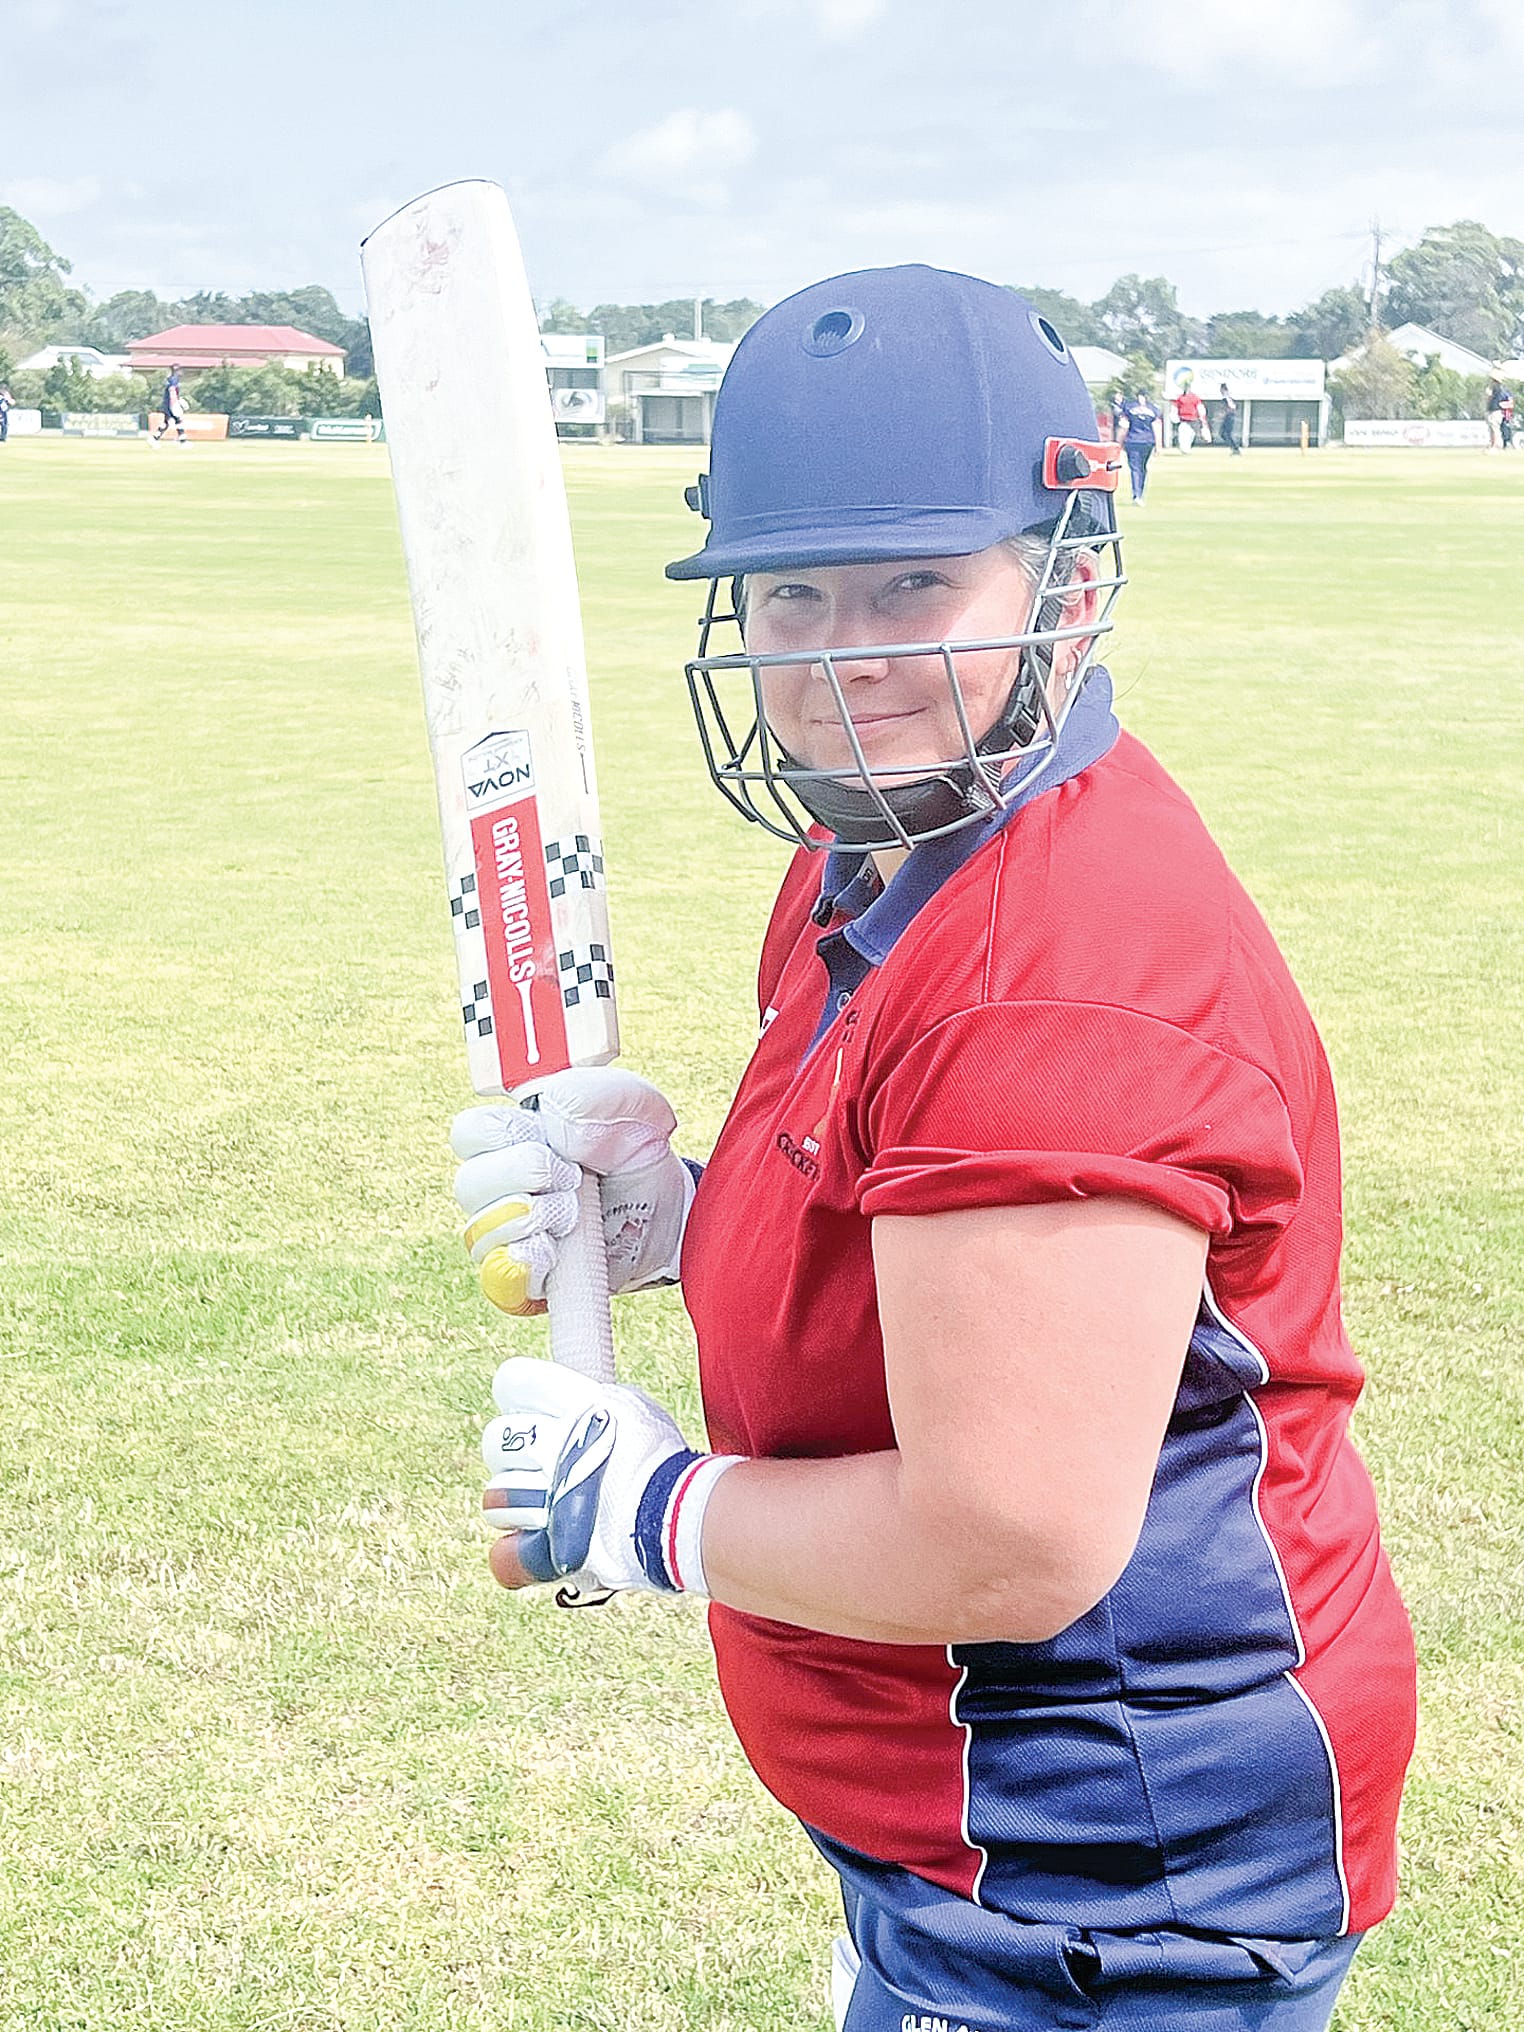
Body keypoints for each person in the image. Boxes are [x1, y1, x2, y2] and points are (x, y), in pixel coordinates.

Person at [454, 266, 1417, 2032]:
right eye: (793, 592)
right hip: (961, 1846)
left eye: (914, 585)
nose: (846, 661)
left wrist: (648, 1510)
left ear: (1063, 583)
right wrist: (677, 1217)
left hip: (1101, 1891)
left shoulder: (1047, 976)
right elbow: (917, 1246)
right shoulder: (892, 847)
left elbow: (1008, 1539)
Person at [1114, 383, 1161, 499]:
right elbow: (1157, 427)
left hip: (1133, 441)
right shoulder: (1153, 409)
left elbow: (1124, 426)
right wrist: (1158, 446)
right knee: (1142, 468)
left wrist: (1118, 444)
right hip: (1147, 441)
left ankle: (1137, 494)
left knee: (1135, 468)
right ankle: (1139, 492)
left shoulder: (1129, 408)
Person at [151, 364, 188, 444]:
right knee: (178, 420)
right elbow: (172, 391)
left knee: (166, 423)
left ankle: (154, 438)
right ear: (176, 371)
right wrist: (175, 404)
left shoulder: (170, 379)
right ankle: (183, 441)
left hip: (167, 403)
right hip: (170, 404)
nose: (181, 371)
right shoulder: (174, 379)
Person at [1172, 377, 1210, 451]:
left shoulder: (1194, 397)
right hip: (1183, 419)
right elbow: (1176, 407)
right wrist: (1175, 416)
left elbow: (1200, 407)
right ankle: (1184, 448)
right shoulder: (1180, 398)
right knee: (1183, 434)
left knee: (1191, 434)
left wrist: (1202, 417)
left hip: (1193, 420)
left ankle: (1187, 447)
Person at [1218, 380, 1242, 455]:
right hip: (1229, 416)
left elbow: (1232, 407)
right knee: (1223, 433)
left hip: (1229, 416)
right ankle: (1234, 448)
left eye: (1221, 389)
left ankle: (1235, 448)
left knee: (1226, 434)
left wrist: (1225, 413)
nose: (1220, 391)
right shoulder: (1228, 397)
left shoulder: (1226, 397)